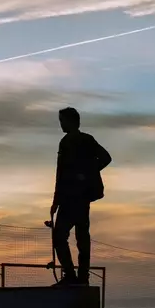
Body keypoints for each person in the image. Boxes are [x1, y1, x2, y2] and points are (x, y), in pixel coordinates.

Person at [50, 107, 112, 286]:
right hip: (83, 198)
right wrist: (89, 173)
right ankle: (83, 277)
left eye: (62, 120)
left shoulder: (67, 141)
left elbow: (60, 173)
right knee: (82, 237)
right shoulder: (88, 139)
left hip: (70, 198)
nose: (61, 124)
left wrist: (56, 201)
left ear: (70, 121)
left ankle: (70, 275)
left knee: (60, 236)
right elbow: (106, 158)